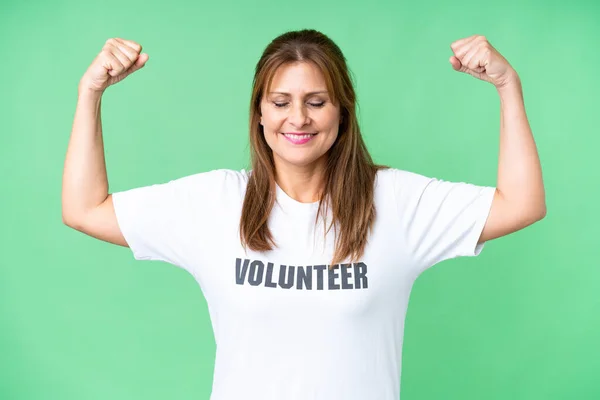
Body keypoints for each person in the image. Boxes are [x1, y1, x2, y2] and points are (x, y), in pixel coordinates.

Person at [62, 29, 546, 400]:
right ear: (259, 113)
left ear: (342, 113)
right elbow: (84, 210)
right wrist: (89, 93)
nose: (298, 119)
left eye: (316, 102)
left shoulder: (394, 202)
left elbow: (522, 204)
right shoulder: (213, 204)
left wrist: (509, 86)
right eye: (280, 102)